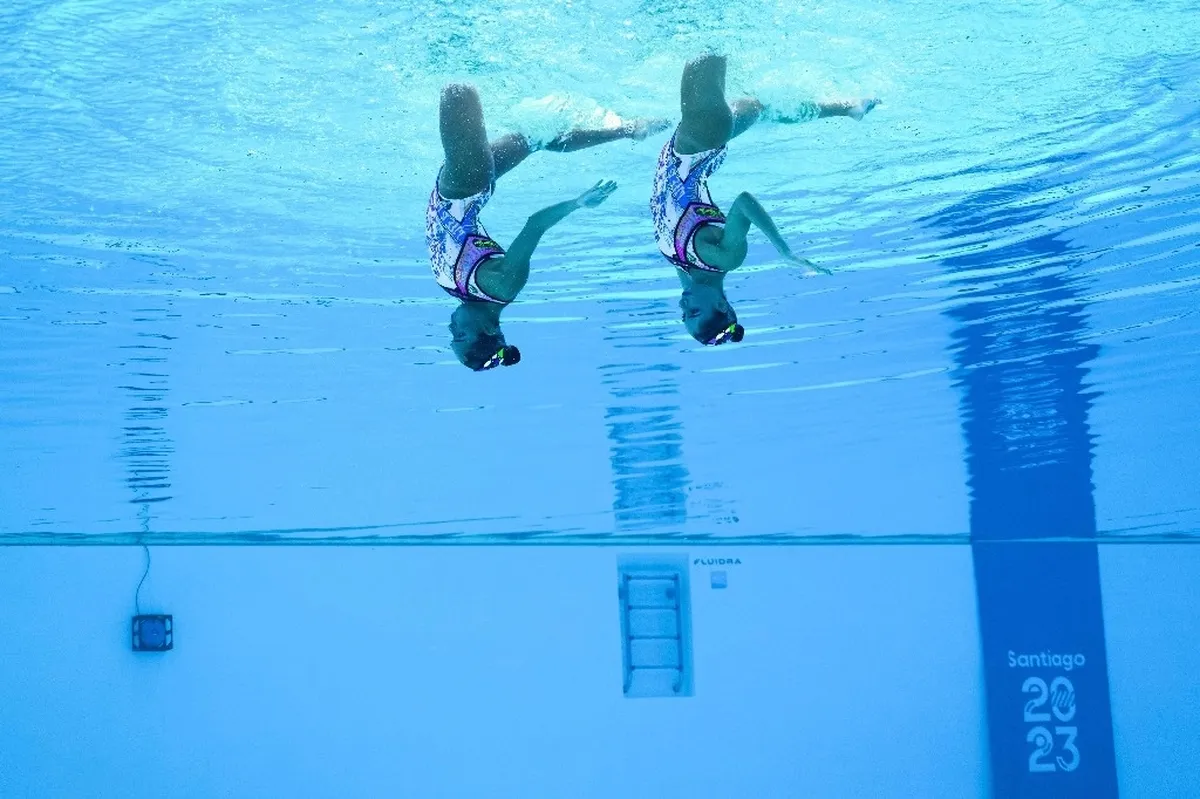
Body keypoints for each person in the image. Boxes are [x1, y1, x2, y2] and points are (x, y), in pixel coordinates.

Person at [428, 83, 668, 371]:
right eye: (460, 336)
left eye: (451, 337)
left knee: (535, 138)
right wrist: (578, 203)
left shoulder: (469, 295)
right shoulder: (502, 285)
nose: (451, 328)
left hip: (468, 187)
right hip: (466, 183)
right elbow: (534, 225)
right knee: (458, 90)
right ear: (491, 331)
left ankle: (630, 130)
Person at [651, 54, 879, 346]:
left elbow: (693, 283)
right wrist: (784, 251)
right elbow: (744, 202)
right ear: (722, 305)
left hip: (697, 142)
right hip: (700, 137)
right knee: (704, 40)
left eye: (684, 316)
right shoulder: (723, 258)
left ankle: (848, 109)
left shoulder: (690, 276)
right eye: (694, 311)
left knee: (761, 108)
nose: (683, 308)